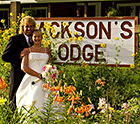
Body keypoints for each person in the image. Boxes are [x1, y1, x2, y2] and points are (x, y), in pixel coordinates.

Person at [2, 16, 36, 111]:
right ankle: (11, 119)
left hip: (31, 74)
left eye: (31, 26)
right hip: (18, 74)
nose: (29, 29)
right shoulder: (15, 39)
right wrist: (19, 56)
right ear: (22, 27)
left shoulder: (36, 39)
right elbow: (5, 56)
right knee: (15, 98)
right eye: (27, 26)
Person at [16, 29, 51, 113]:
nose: (37, 38)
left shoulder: (47, 51)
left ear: (42, 38)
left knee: (47, 100)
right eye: (35, 36)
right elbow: (24, 67)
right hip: (32, 79)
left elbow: (49, 65)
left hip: (45, 79)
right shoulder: (28, 50)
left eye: (39, 36)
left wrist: (49, 74)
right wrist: (38, 75)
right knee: (32, 98)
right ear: (32, 38)